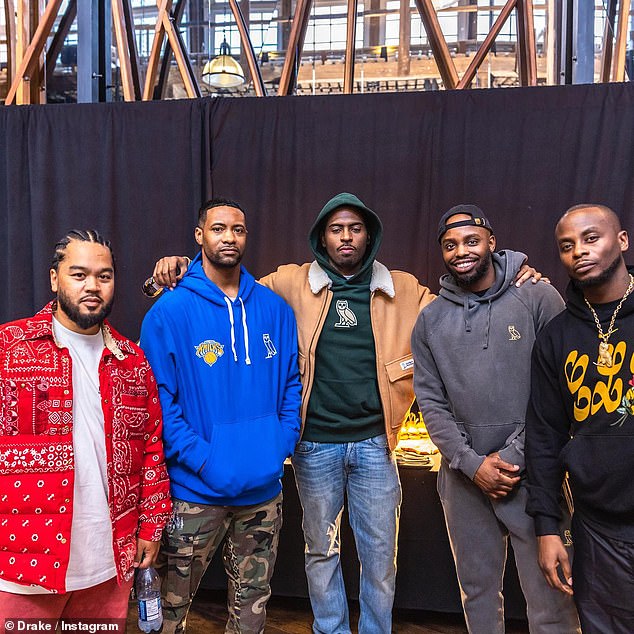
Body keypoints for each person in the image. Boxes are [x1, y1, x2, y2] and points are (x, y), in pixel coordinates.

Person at [148, 193, 541, 634]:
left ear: (369, 235)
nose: (346, 237)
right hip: (315, 446)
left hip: (376, 444)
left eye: (355, 228)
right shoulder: (289, 284)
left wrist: (510, 273)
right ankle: (329, 629)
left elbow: (463, 295)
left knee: (379, 557)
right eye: (336, 229)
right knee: (321, 550)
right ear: (322, 237)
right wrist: (178, 265)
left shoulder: (405, 289)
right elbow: (228, 280)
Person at [411, 205, 580, 634]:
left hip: (533, 474)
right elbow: (430, 401)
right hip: (464, 479)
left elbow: (561, 385)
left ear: (491, 241)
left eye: (471, 241)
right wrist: (471, 464)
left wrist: (513, 455)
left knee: (551, 597)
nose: (461, 251)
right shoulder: (430, 319)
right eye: (450, 245)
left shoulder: (537, 296)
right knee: (478, 596)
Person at [139, 198, 301, 634]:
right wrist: (207, 459)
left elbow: (291, 385)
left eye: (238, 229)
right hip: (195, 492)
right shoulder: (169, 313)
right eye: (219, 228)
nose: (229, 237)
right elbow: (159, 405)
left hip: (263, 494)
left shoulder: (275, 310)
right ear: (200, 235)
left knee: (252, 606)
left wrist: (279, 446)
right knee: (167, 613)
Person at [0, 229, 171, 623]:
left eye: (104, 276)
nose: (92, 286)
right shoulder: (10, 348)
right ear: (54, 279)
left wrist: (151, 525)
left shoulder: (132, 361)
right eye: (79, 275)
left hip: (110, 561)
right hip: (22, 563)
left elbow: (151, 451)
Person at [526, 204, 634, 634]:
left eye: (592, 238)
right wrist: (547, 527)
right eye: (567, 246)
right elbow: (544, 436)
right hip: (598, 528)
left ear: (621, 241)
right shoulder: (555, 336)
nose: (579, 252)